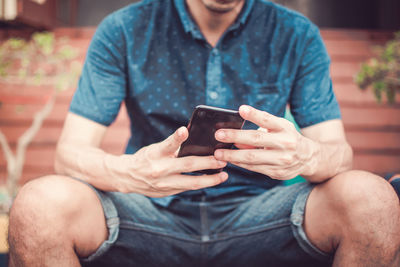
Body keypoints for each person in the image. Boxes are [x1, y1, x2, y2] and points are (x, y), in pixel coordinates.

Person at [8, 0, 400, 266]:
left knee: (372, 200)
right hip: (147, 212)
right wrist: (126, 173)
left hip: (264, 216)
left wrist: (308, 156)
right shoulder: (124, 30)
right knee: (39, 204)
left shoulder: (296, 34)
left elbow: (339, 152)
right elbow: (70, 153)